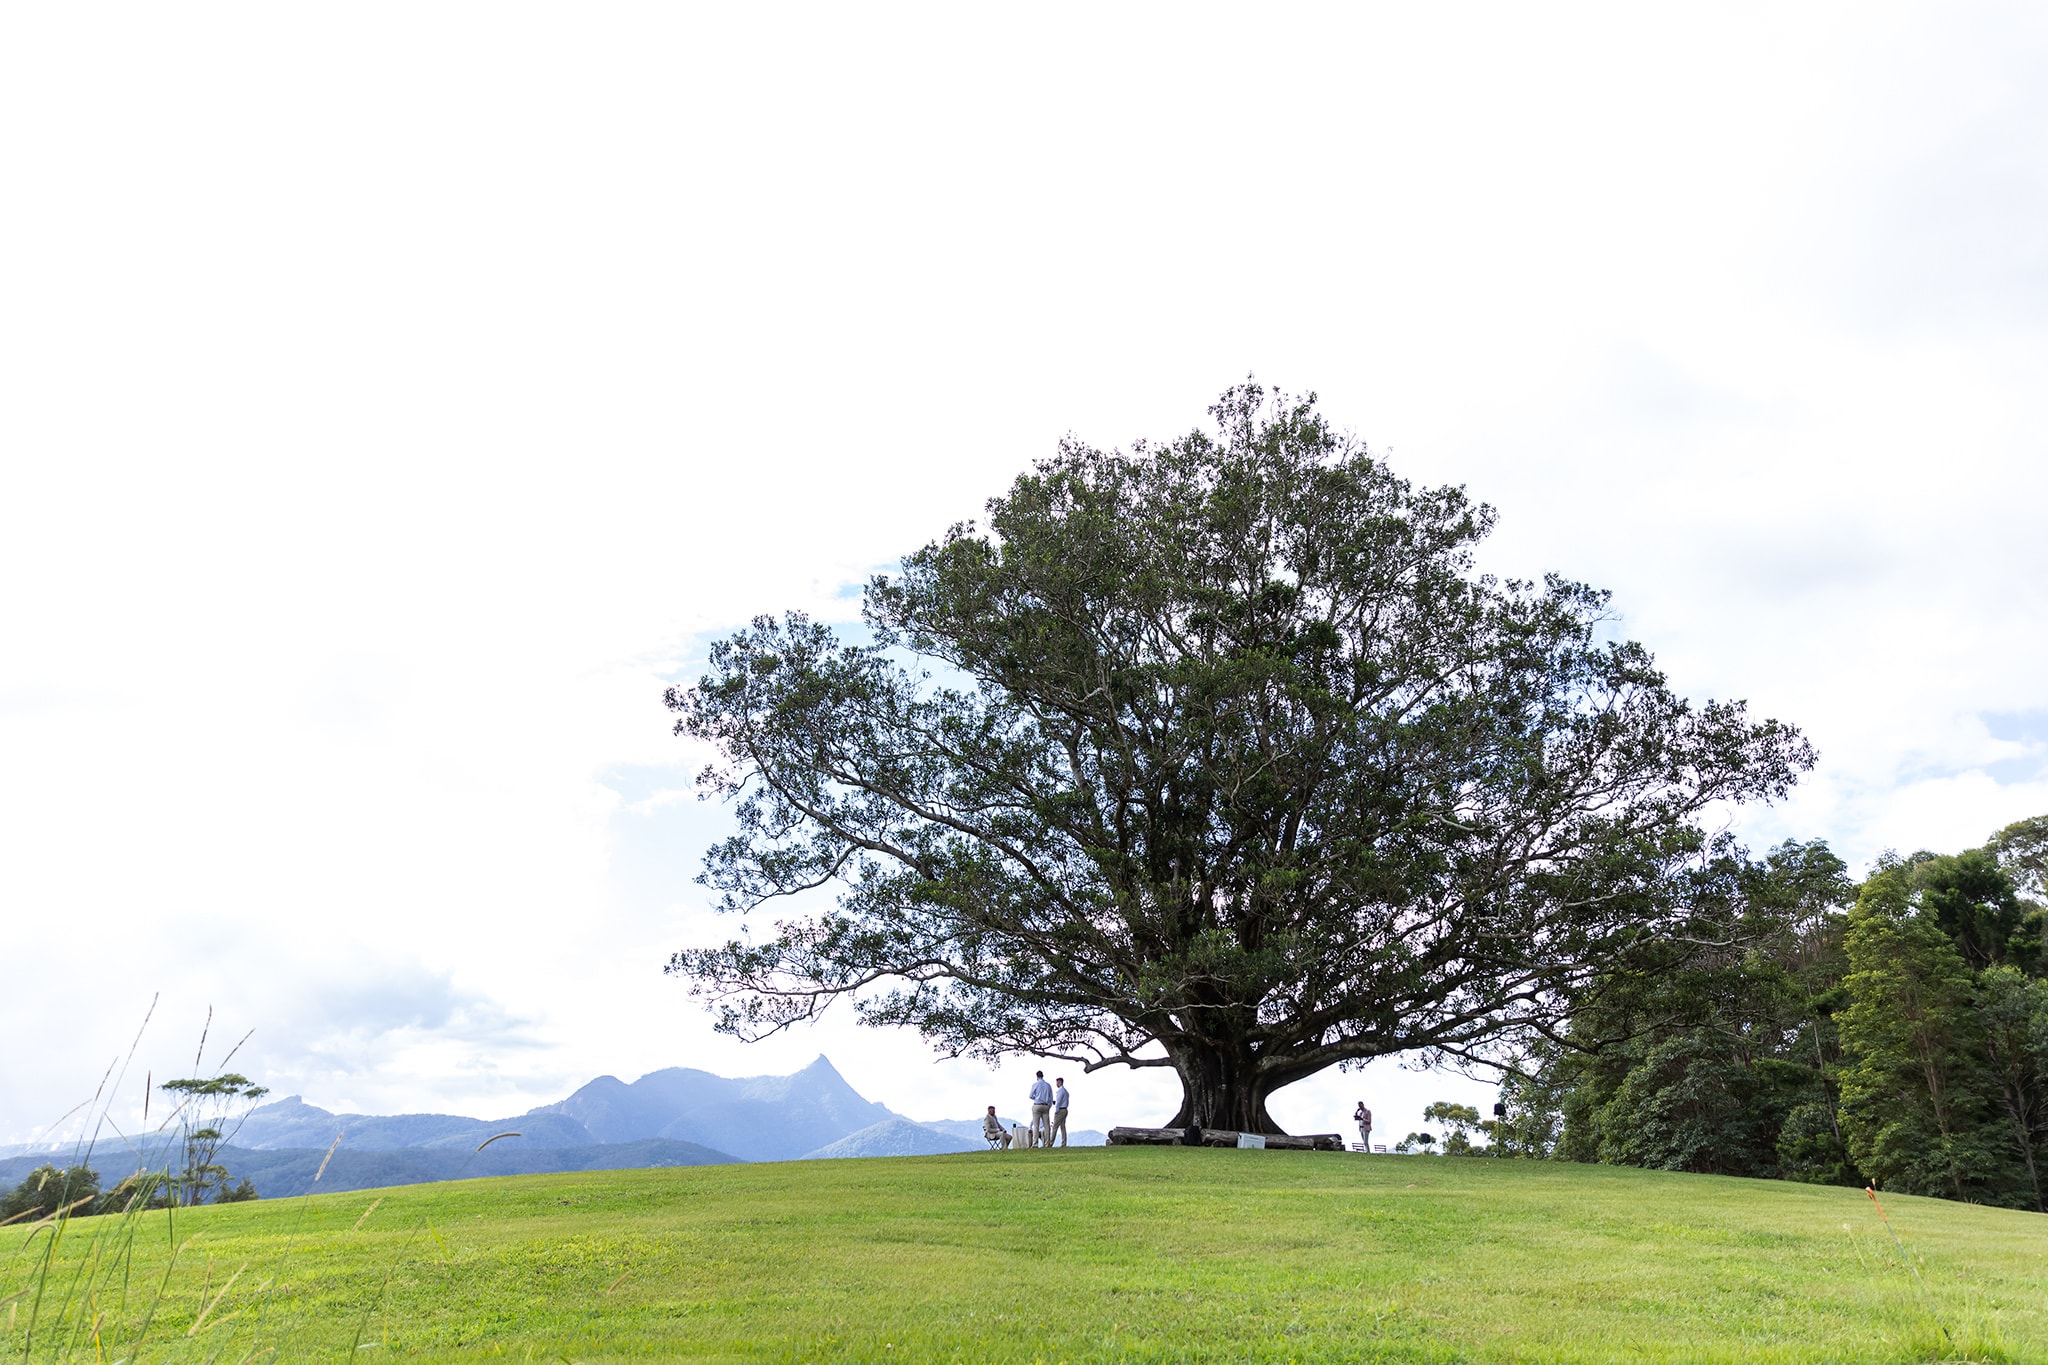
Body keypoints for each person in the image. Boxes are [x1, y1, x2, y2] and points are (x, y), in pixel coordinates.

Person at [1028, 1071, 1054, 1147]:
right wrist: (1049, 1106)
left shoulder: (1035, 1084)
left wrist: (1036, 1097)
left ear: (1037, 1076)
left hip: (1037, 1104)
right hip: (1045, 1105)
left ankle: (1035, 1143)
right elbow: (1051, 1097)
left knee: (1036, 1125)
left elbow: (1030, 1096)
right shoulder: (1048, 1085)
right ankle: (1047, 1143)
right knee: (1047, 1125)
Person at [1051, 1077, 1071, 1148]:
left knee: (1055, 1127)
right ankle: (1064, 1143)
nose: (1056, 1084)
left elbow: (1058, 1101)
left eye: (1057, 1082)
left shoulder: (1060, 1091)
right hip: (1065, 1109)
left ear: (1059, 1082)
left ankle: (1050, 1143)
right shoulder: (1065, 1091)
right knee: (1063, 1127)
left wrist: (1056, 1111)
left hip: (1060, 1110)